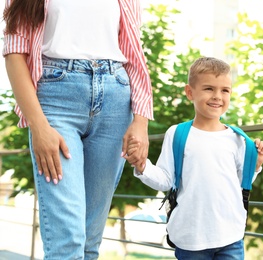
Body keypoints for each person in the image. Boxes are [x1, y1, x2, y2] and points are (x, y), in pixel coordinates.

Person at [2, 0, 153, 259]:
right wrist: (38, 126)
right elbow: (15, 53)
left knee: (89, 239)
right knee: (67, 241)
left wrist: (141, 121)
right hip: (55, 100)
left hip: (116, 98)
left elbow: (134, 55)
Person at [128, 57, 263, 260]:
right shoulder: (177, 133)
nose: (217, 96)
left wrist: (255, 165)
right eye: (208, 89)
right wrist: (143, 166)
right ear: (190, 92)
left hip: (230, 236)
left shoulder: (239, 140)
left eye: (225, 90)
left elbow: (240, 183)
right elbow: (166, 179)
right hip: (191, 238)